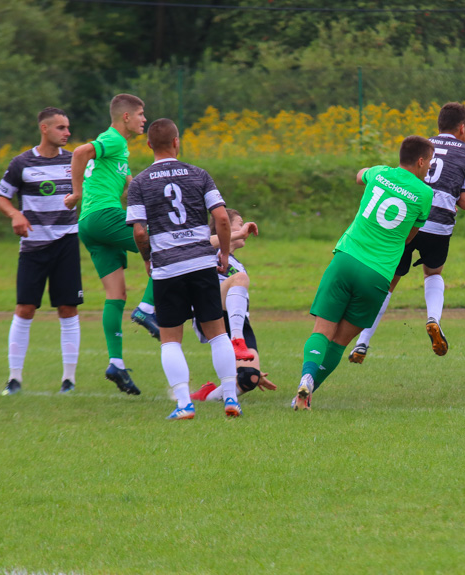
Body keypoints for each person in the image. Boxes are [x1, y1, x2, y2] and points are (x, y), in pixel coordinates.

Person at [293, 135, 435, 411]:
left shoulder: (380, 173)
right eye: (428, 162)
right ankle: (306, 395)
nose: (428, 167)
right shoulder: (425, 194)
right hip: (377, 274)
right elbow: (408, 238)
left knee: (322, 329)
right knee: (341, 341)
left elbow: (360, 176)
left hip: (346, 259)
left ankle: (305, 376)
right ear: (420, 161)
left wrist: (371, 178)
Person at [126, 118, 242, 419]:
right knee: (217, 334)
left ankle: (184, 404)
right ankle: (231, 399)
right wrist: (225, 255)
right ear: (177, 142)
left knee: (170, 339)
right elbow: (223, 218)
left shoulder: (139, 182)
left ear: (149, 144)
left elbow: (139, 232)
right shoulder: (199, 174)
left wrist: (147, 259)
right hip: (203, 263)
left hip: (168, 269)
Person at [349, 102, 465, 363]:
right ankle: (433, 318)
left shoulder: (424, 146)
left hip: (406, 219)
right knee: (433, 272)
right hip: (440, 224)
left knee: (389, 283)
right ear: (462, 128)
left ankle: (362, 343)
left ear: (439, 125)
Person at [65, 94, 156, 396]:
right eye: (141, 114)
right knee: (166, 248)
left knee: (115, 293)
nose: (145, 119)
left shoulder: (119, 149)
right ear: (126, 117)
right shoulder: (114, 139)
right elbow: (79, 152)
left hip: (89, 226)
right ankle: (145, 310)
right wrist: (75, 192)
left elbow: (131, 182)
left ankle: (115, 362)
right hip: (104, 215)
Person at [0, 107, 82, 395]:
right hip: (34, 246)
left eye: (68, 127)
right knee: (25, 308)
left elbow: (96, 187)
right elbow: (1, 198)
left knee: (68, 308)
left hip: (67, 243)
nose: (67, 133)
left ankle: (68, 381)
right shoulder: (22, 163)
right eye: (61, 128)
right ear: (44, 129)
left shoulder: (75, 162)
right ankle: (14, 379)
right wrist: (15, 215)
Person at [190, 208, 277, 403]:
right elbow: (198, 245)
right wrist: (232, 234)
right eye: (239, 222)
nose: (243, 227)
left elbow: (240, 305)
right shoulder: (209, 249)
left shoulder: (237, 263)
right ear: (226, 227)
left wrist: (251, 368)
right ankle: (238, 341)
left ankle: (207, 396)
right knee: (239, 279)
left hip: (234, 320)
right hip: (210, 310)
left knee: (249, 379)